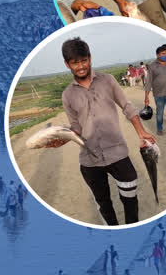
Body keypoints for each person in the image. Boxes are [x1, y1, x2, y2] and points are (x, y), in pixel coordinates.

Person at [60, 37, 155, 225]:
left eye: (83, 60)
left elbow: (127, 107)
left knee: (130, 200)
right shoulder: (67, 95)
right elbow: (76, 128)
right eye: (75, 62)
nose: (80, 66)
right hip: (89, 160)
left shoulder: (107, 80)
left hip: (117, 154)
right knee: (104, 205)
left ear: (90, 58)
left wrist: (141, 132)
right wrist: (62, 137)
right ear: (67, 64)